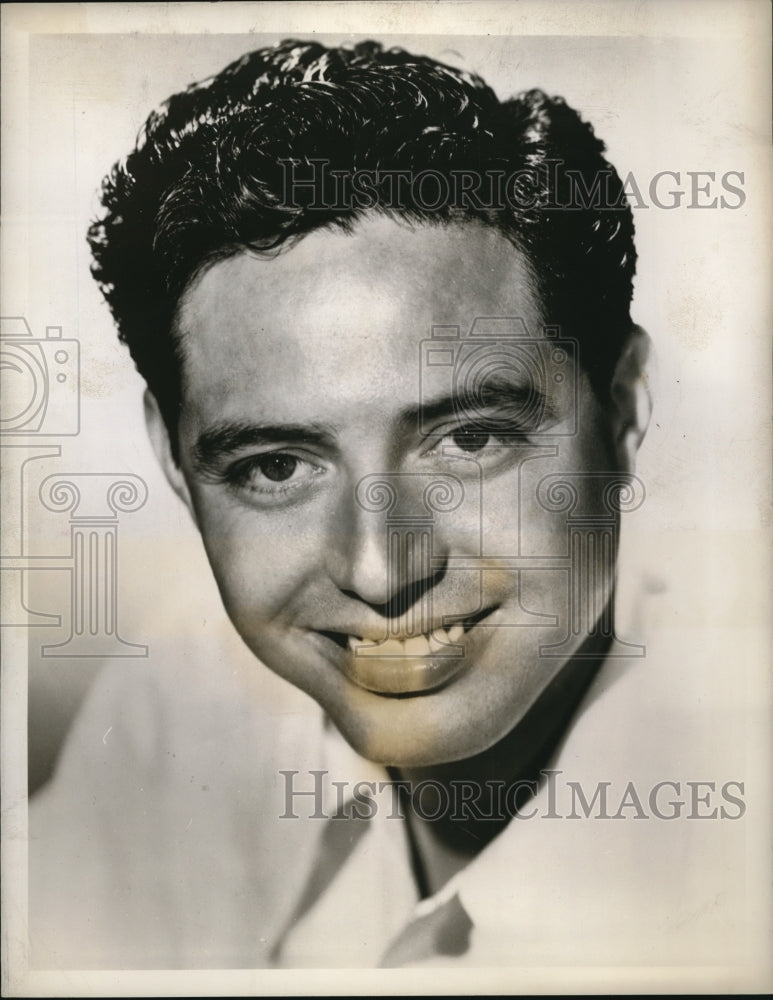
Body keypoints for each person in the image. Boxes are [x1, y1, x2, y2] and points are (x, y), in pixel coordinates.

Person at [28, 38, 744, 972]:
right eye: (276, 467)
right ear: (171, 456)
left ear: (622, 406)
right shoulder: (181, 715)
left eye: (470, 441)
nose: (378, 569)